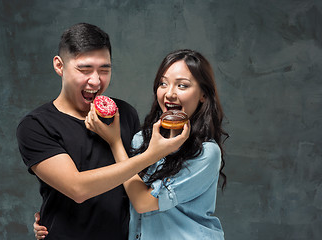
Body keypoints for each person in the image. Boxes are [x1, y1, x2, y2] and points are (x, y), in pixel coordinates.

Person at [17, 23, 190, 240]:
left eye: (104, 70)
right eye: (84, 69)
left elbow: (140, 186)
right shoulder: (37, 125)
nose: (96, 81)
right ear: (59, 66)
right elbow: (77, 188)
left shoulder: (125, 113)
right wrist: (152, 154)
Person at [34, 49, 228, 239]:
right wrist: (53, 217)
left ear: (203, 94)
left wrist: (115, 141)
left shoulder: (205, 152)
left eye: (182, 86)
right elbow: (115, 187)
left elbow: (143, 202)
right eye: (163, 83)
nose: (169, 94)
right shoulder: (141, 140)